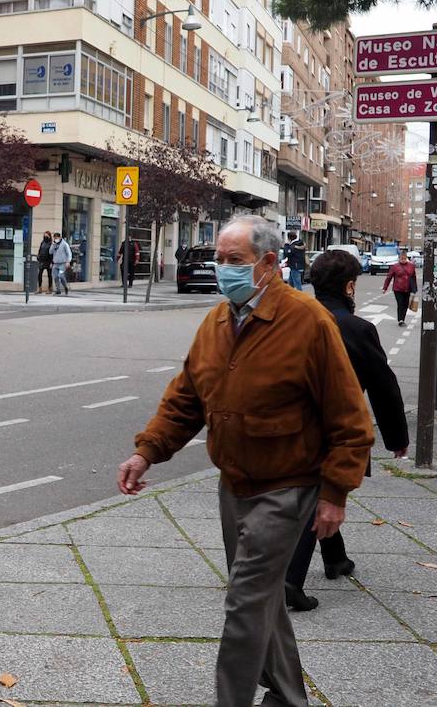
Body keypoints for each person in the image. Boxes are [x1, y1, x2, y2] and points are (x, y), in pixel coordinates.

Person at [117, 215, 373, 707]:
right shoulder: (217, 321)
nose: (222, 269)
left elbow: (349, 416)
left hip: (288, 484)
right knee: (262, 598)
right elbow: (186, 399)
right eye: (219, 259)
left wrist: (335, 494)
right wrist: (146, 451)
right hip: (234, 483)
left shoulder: (308, 321)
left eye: (234, 261)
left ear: (269, 264)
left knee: (243, 601)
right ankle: (289, 697)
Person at [283, 250, 407, 610]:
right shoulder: (357, 329)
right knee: (317, 499)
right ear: (350, 287)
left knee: (318, 492)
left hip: (287, 425)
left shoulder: (291, 319)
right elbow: (384, 386)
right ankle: (291, 580)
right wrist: (396, 438)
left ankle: (335, 558)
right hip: (336, 429)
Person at [382, 250, 417, 326]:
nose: (403, 260)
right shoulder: (395, 267)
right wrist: (385, 287)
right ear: (399, 258)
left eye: (404, 258)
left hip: (407, 289)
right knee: (400, 303)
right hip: (398, 289)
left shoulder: (411, 266)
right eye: (401, 258)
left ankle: (403, 319)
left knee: (405, 304)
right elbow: (389, 277)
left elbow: (413, 278)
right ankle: (400, 320)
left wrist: (414, 289)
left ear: (406, 258)